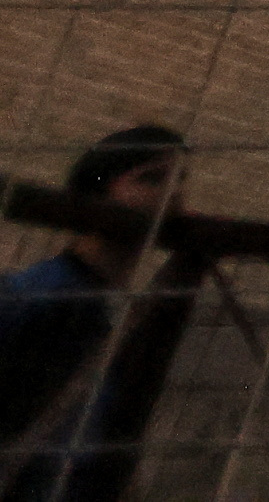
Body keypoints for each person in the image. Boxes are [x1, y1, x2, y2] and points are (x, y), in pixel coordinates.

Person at [0, 127, 184, 502]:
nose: (174, 194)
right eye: (151, 178)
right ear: (97, 193)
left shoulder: (122, 304)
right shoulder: (45, 294)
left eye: (180, 179)